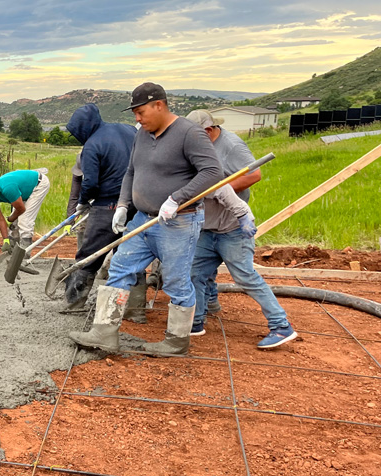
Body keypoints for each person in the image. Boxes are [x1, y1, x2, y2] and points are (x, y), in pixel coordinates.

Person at [69, 82, 227, 356]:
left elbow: (212, 172)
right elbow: (131, 171)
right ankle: (104, 333)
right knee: (120, 267)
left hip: (178, 222)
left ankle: (177, 341)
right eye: (135, 114)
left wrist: (177, 198)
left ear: (159, 105)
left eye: (141, 112)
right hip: (142, 219)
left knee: (177, 281)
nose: (137, 119)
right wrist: (122, 204)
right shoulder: (142, 135)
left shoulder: (189, 134)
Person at [185, 109, 298, 349]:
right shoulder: (198, 146)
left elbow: (254, 174)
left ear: (208, 130)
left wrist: (220, 190)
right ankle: (195, 321)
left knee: (245, 276)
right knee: (196, 273)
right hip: (207, 227)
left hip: (233, 227)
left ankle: (281, 326)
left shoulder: (232, 146)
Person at [63, 103, 142, 312]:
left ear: (82, 127)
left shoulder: (92, 145)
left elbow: (90, 183)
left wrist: (82, 201)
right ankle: (135, 310)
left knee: (89, 256)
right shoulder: (128, 129)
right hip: (137, 201)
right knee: (130, 255)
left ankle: (74, 303)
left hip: (108, 205)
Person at [0, 168, 50, 250]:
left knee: (24, 219)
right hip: (22, 191)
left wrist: (11, 218)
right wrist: (5, 240)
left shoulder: (7, 188)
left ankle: (25, 251)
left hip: (38, 184)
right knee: (15, 221)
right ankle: (13, 245)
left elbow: (21, 209)